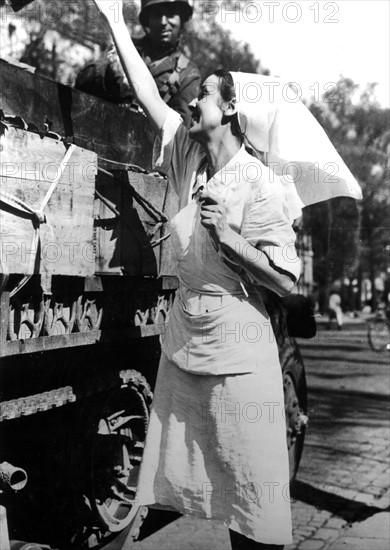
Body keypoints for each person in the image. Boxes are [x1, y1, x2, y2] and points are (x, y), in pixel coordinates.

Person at [91, 2, 362, 548]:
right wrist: (115, 20)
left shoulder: (259, 183)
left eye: (204, 96)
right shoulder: (188, 154)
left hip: (240, 363)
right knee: (192, 491)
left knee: (253, 510)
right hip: (187, 348)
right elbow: (148, 95)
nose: (191, 100)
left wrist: (232, 241)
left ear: (230, 106)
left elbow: (287, 280)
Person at [76, 0, 201, 127]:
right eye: (157, 14)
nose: (163, 22)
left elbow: (181, 130)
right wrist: (110, 70)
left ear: (181, 19)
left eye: (170, 14)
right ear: (147, 20)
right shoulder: (123, 46)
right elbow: (83, 81)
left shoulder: (189, 73)